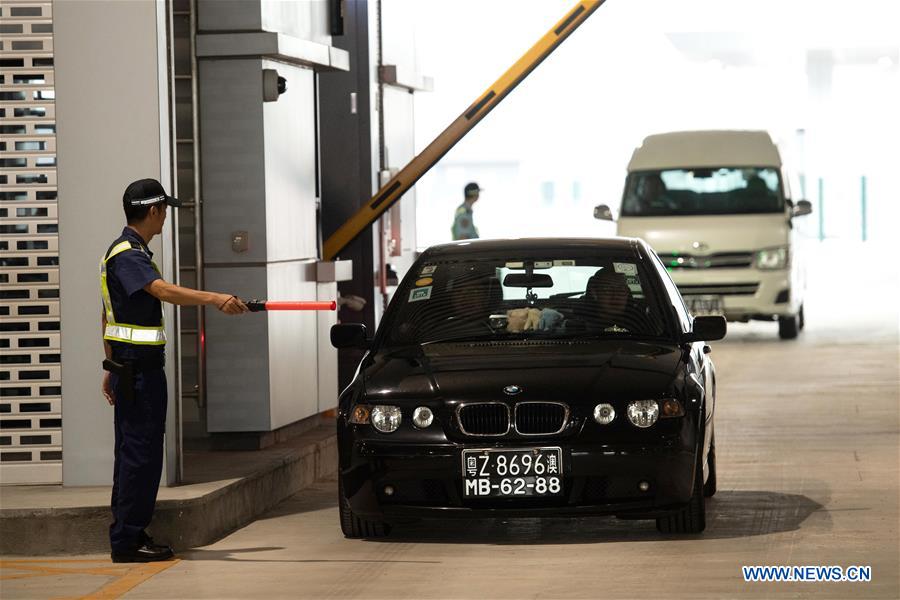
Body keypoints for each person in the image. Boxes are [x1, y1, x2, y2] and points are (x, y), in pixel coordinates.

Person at [100, 178, 248, 563]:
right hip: (139, 372)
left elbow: (108, 315)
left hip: (130, 368)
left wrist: (110, 364)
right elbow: (162, 291)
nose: (166, 216)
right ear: (153, 211)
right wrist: (215, 298)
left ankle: (128, 534)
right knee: (141, 455)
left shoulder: (126, 252)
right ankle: (128, 540)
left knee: (134, 453)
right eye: (165, 210)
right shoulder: (129, 256)